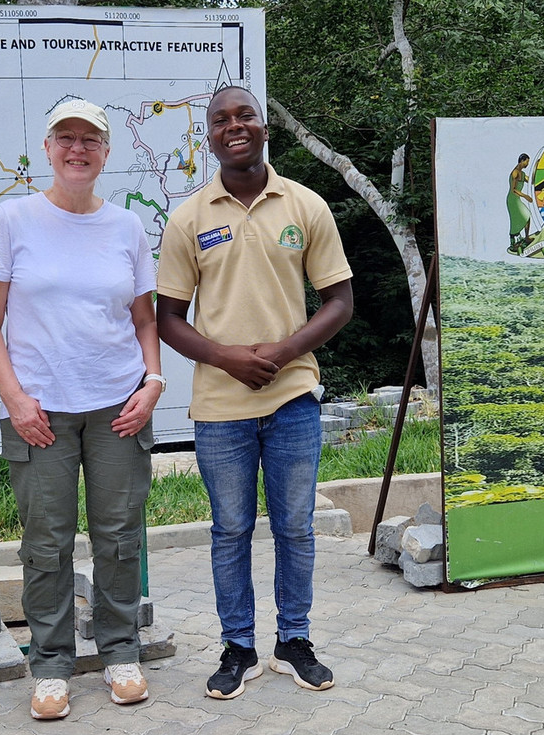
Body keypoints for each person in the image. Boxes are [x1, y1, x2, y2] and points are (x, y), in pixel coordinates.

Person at [155, 85, 353, 700]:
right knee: (229, 530)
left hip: (292, 396)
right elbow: (168, 317)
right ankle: (237, 647)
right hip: (220, 406)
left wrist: (287, 351)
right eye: (221, 120)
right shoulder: (189, 218)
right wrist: (225, 358)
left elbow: (340, 300)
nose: (233, 127)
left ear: (265, 128)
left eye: (245, 116)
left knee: (295, 528)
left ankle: (294, 641)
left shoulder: (306, 205)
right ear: (208, 135)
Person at [0, 98, 163, 720]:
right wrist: (13, 397)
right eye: (65, 138)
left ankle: (119, 653)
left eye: (90, 139)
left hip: (118, 406)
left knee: (117, 537)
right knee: (46, 543)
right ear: (48, 149)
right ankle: (51, 665)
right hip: (40, 412)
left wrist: (153, 380)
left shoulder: (127, 227)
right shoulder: (14, 220)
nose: (77, 148)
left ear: (107, 153)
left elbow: (143, 318)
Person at [507, 153, 534, 253]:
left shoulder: (522, 174)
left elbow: (531, 180)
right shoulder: (515, 173)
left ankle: (526, 238)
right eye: (527, 161)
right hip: (512, 199)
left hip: (517, 199)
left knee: (526, 216)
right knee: (516, 220)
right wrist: (526, 196)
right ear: (522, 161)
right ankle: (513, 243)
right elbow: (513, 189)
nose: (527, 164)